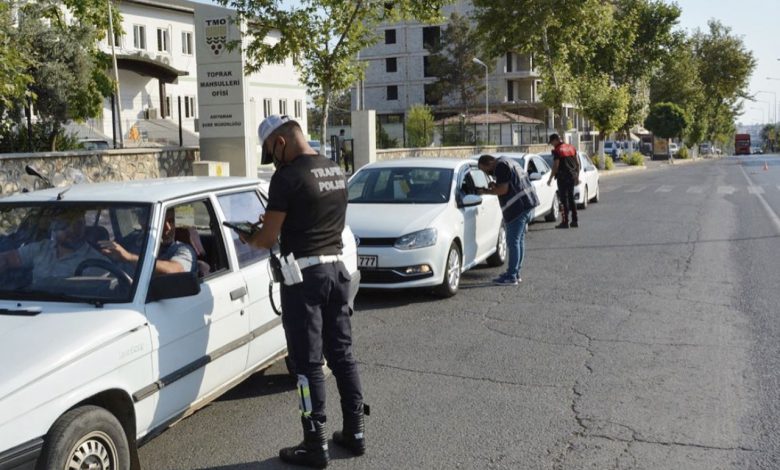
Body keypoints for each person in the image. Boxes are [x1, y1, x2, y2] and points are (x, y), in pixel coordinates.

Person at [244, 114, 366, 468]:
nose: (273, 161)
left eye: (270, 152)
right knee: (342, 355)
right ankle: (356, 432)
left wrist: (248, 236)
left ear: (280, 143)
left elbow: (267, 238)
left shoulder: (286, 178)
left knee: (308, 364)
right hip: (337, 272)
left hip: (304, 281)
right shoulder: (335, 169)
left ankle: (315, 445)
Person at [477, 154, 540, 286]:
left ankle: (512, 276)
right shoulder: (507, 161)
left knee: (513, 242)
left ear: (489, 163)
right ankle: (515, 273)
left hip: (518, 208)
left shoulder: (500, 166)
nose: (487, 173)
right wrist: (496, 185)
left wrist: (485, 191)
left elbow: (503, 190)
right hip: (528, 203)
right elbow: (510, 183)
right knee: (519, 240)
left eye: (485, 170)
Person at [0, 207, 108, 284]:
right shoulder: (41, 248)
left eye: (78, 224)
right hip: (28, 303)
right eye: (65, 224)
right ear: (54, 227)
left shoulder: (96, 262)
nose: (72, 230)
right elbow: (8, 259)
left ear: (84, 225)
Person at [99, 208, 197, 276]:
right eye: (161, 222)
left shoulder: (183, 250)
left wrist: (129, 257)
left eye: (171, 221)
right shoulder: (129, 242)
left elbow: (175, 270)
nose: (168, 228)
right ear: (142, 222)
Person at [547, 134, 581, 229]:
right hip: (572, 176)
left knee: (563, 199)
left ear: (556, 140)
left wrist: (550, 178)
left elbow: (556, 165)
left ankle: (565, 222)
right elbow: (577, 164)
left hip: (562, 177)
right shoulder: (571, 148)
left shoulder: (557, 150)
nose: (552, 145)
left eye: (552, 142)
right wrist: (577, 176)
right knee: (571, 198)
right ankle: (575, 220)